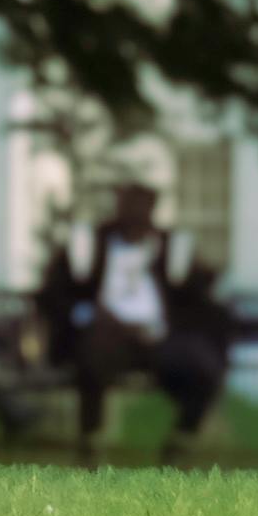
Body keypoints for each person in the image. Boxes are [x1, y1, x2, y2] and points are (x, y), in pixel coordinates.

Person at [49, 175, 225, 458]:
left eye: (142, 210)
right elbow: (58, 292)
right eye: (129, 208)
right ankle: (90, 439)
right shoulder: (91, 244)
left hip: (158, 336)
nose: (135, 217)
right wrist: (90, 314)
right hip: (106, 333)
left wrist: (207, 280)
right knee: (92, 353)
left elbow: (196, 297)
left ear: (152, 212)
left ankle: (181, 439)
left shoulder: (170, 248)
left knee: (204, 365)